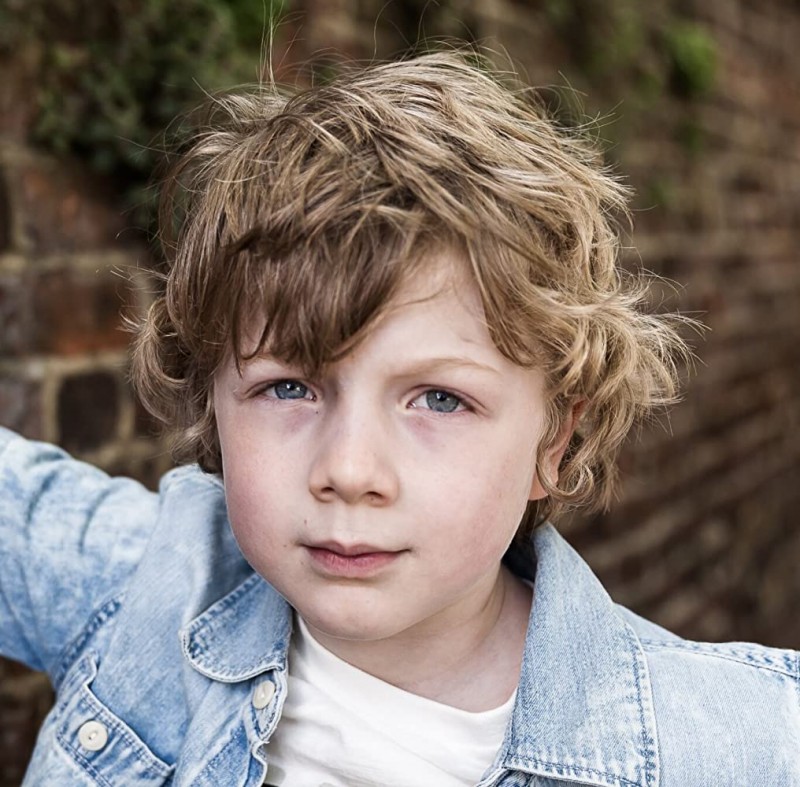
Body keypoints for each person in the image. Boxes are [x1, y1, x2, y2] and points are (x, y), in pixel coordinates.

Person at [1, 50, 798, 787]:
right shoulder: (145, 589)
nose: (349, 470)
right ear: (213, 399)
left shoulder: (743, 745)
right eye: (289, 388)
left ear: (554, 440)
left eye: (440, 399)